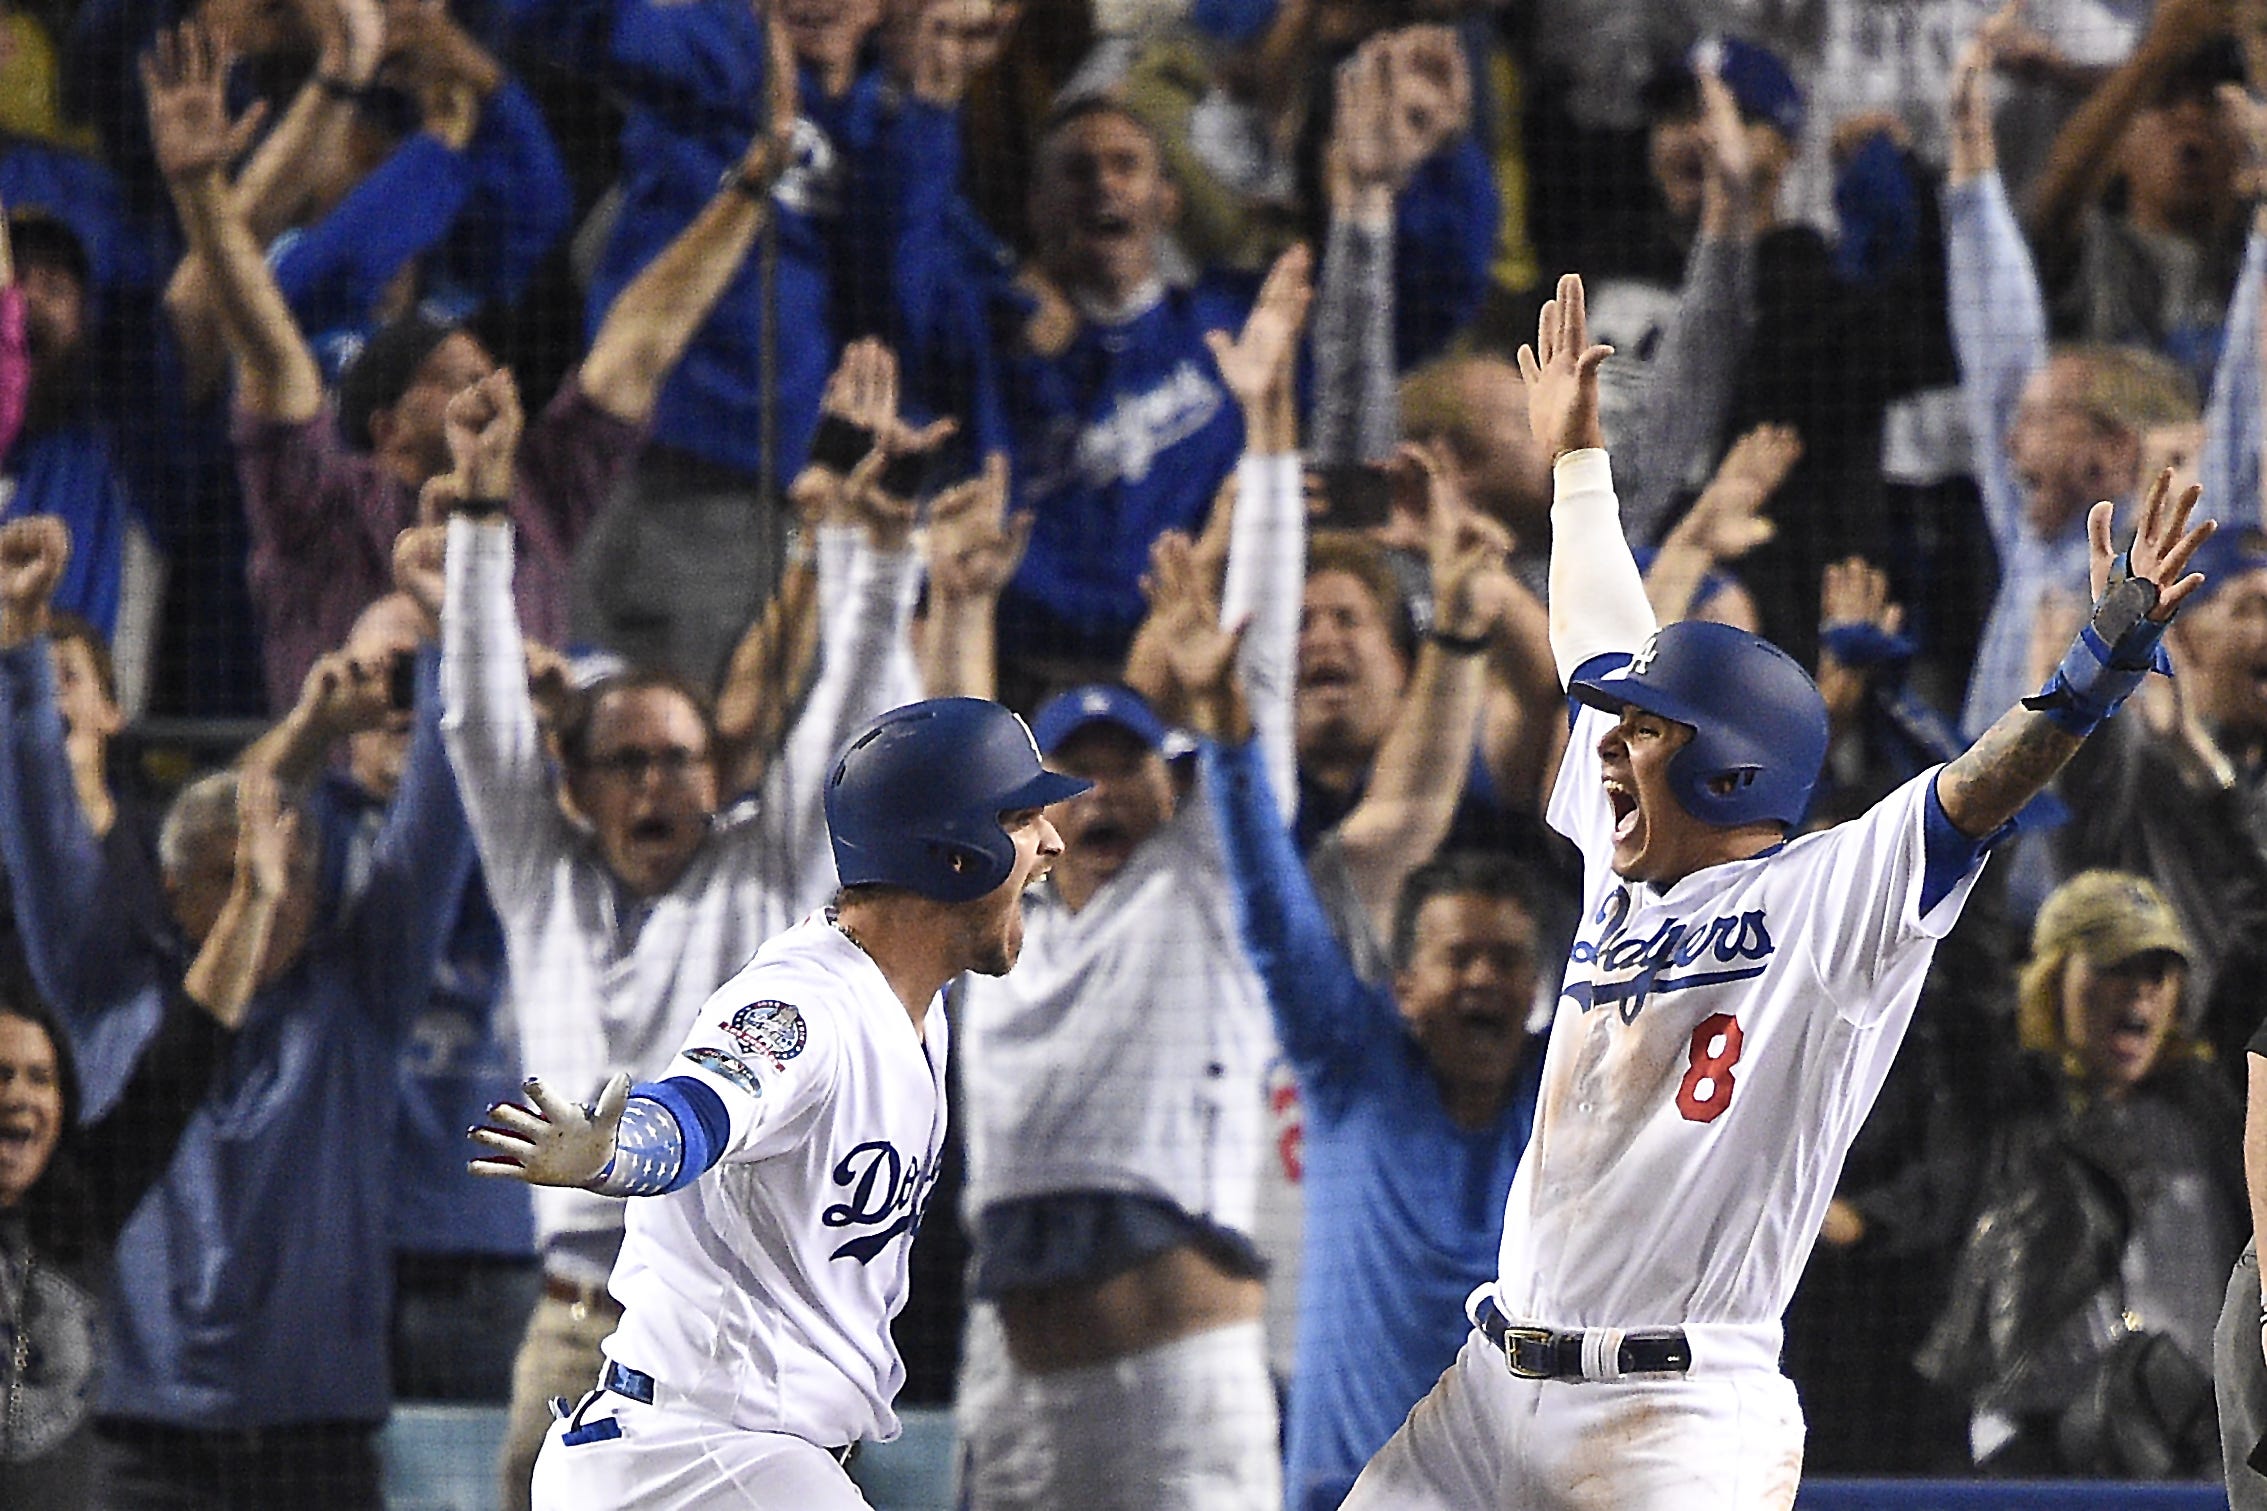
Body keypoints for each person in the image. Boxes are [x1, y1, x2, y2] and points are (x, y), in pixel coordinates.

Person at [1338, 270, 2214, 1510]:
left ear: (1727, 758)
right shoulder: (1618, 853)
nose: (1602, 744)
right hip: (1489, 1383)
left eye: (1640, 729)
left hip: (1674, 1414)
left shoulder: (1830, 897)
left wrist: (2088, 672)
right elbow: (1598, 625)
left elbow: (1971, 790)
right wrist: (1575, 463)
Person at [433, 355, 927, 1510]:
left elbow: (861, 727)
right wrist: (475, 510)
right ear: (577, 782)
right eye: (629, 760)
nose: (659, 783)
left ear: (718, 771)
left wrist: (866, 554)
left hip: (747, 1346)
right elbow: (477, 720)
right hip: (576, 1324)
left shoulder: (763, 869)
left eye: (682, 757)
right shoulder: (540, 875)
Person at [466, 697, 1080, 1510]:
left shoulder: (916, 1007)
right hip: (693, 1458)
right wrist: (617, 1151)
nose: (1052, 843)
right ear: (955, 855)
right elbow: (702, 1106)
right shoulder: (805, 1004)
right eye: (1025, 817)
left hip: (717, 1458)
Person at [0, 767, 291, 1510]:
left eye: (40, 1077)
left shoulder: (81, 1205)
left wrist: (254, 902)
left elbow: (181, 1061)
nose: (21, 1097)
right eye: (1, 1076)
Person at [1919, 869, 2240, 1478]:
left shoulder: (2212, 1112)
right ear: (2053, 980)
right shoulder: (2007, 1105)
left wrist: (2228, 798)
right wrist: (1984, 814)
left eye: (2155, 973)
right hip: (2040, 1454)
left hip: (2196, 1451)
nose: (2138, 993)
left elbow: (2253, 939)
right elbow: (1968, 981)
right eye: (2112, 968)